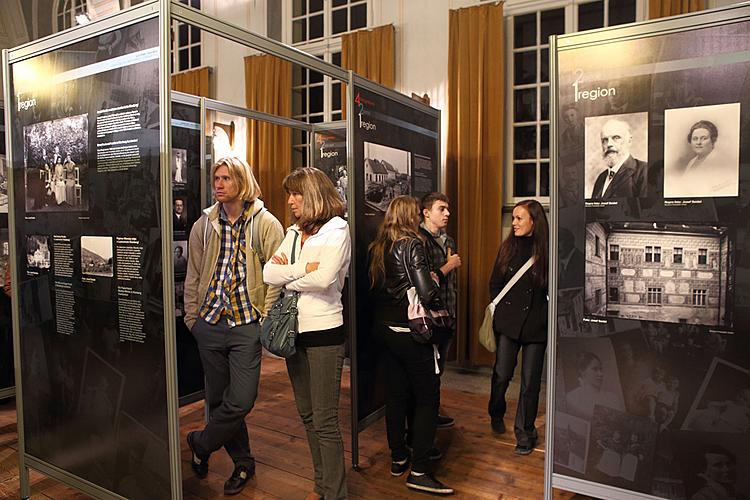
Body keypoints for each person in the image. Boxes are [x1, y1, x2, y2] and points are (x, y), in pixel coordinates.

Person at [183, 156, 284, 496]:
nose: (219, 184)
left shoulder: (266, 224)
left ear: (242, 181)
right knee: (218, 398)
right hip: (209, 323)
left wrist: (266, 318)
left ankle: (200, 442)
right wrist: (192, 317)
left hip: (245, 324)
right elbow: (194, 275)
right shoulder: (205, 224)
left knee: (240, 400)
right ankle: (243, 462)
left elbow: (278, 277)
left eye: (226, 178)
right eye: (216, 178)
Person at [263, 167, 351, 500]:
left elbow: (325, 279)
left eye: (295, 194)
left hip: (325, 334)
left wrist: (289, 277)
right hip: (293, 333)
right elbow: (269, 272)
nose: (290, 201)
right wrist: (301, 271)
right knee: (307, 414)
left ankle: (335, 494)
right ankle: (321, 485)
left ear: (312, 193)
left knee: (326, 421)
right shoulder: (293, 231)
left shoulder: (337, 229)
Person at [368, 195, 453, 495]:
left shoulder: (378, 247)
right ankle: (419, 469)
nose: (419, 217)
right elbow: (428, 294)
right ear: (409, 216)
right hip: (412, 332)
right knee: (428, 397)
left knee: (396, 395)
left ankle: (398, 456)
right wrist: (434, 285)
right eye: (417, 213)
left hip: (385, 331)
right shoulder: (411, 244)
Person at [487, 199, 548, 455]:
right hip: (509, 324)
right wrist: (500, 313)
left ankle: (524, 433)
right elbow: (494, 284)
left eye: (519, 218)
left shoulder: (547, 252)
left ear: (534, 221)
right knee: (502, 374)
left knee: (530, 383)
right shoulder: (507, 248)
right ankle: (496, 410)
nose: (513, 223)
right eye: (513, 218)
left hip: (536, 327)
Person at [419, 192, 461, 429]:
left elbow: (450, 283)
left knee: (439, 370)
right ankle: (424, 421)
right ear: (426, 212)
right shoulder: (419, 241)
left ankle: (432, 414)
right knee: (427, 372)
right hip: (428, 319)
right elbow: (426, 281)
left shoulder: (449, 241)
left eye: (448, 209)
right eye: (441, 209)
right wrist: (449, 265)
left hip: (448, 315)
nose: (447, 214)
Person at [667, 120, 738, 198]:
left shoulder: (720, 162)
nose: (698, 142)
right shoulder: (692, 162)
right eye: (695, 139)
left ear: (713, 140)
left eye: (704, 138)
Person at [589, 119, 647, 199]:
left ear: (629, 141)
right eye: (605, 140)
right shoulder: (601, 178)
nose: (609, 144)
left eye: (616, 138)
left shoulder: (643, 171)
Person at [565, 351, 624, 420]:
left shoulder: (613, 399)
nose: (600, 374)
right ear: (582, 371)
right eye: (595, 369)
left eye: (600, 369)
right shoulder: (571, 398)